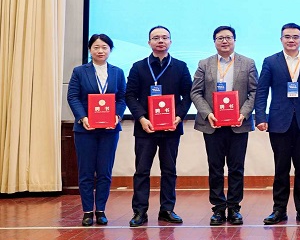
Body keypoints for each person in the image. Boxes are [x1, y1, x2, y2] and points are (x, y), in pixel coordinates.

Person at [254, 22, 300, 225]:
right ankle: (279, 209)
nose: (291, 40)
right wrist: (260, 117)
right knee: (281, 168)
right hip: (278, 122)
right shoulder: (270, 61)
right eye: (287, 37)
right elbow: (262, 91)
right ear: (281, 39)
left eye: (295, 37)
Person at [125, 25, 192, 227]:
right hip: (145, 128)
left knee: (169, 170)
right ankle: (139, 212)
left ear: (170, 41)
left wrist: (178, 117)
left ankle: (167, 210)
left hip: (171, 128)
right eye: (156, 38)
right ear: (149, 42)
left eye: (164, 37)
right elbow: (130, 95)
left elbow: (188, 95)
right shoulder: (138, 67)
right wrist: (141, 118)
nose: (160, 41)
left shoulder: (180, 66)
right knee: (142, 171)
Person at [191, 26, 258, 226]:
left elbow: (255, 92)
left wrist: (243, 114)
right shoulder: (204, 64)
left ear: (234, 40)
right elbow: (195, 92)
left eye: (228, 37)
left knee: (236, 168)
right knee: (215, 167)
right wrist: (208, 114)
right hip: (213, 124)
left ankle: (235, 208)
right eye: (220, 38)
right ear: (214, 42)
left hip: (238, 124)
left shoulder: (248, 63)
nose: (225, 41)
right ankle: (218, 208)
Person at [67, 33, 126, 226]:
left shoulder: (117, 72)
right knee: (86, 171)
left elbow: (122, 98)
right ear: (90, 49)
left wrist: (117, 116)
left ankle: (100, 210)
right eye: (96, 47)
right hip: (85, 129)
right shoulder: (79, 71)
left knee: (104, 171)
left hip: (109, 129)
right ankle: (87, 211)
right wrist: (82, 117)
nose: (100, 51)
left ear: (110, 50)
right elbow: (73, 96)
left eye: (104, 47)